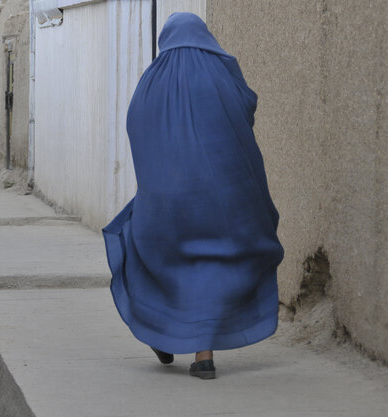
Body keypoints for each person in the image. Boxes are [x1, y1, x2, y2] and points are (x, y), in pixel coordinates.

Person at [102, 13, 284, 380]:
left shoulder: (150, 82)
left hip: (166, 208)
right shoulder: (223, 75)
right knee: (215, 267)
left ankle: (163, 332)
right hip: (224, 204)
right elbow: (246, 109)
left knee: (141, 242)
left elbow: (136, 127)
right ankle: (203, 357)